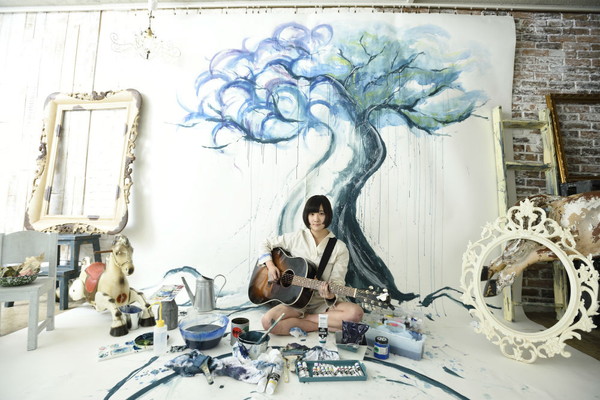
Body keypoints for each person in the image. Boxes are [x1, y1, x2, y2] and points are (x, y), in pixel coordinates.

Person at [257, 195, 364, 335]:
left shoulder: (339, 247)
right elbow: (265, 243)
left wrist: (330, 295)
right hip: (295, 302)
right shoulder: (296, 237)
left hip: (322, 304)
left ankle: (307, 320)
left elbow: (338, 282)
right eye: (312, 214)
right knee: (268, 322)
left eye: (321, 213)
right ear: (306, 216)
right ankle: (323, 324)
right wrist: (271, 266)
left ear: (328, 215)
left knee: (356, 314)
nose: (316, 219)